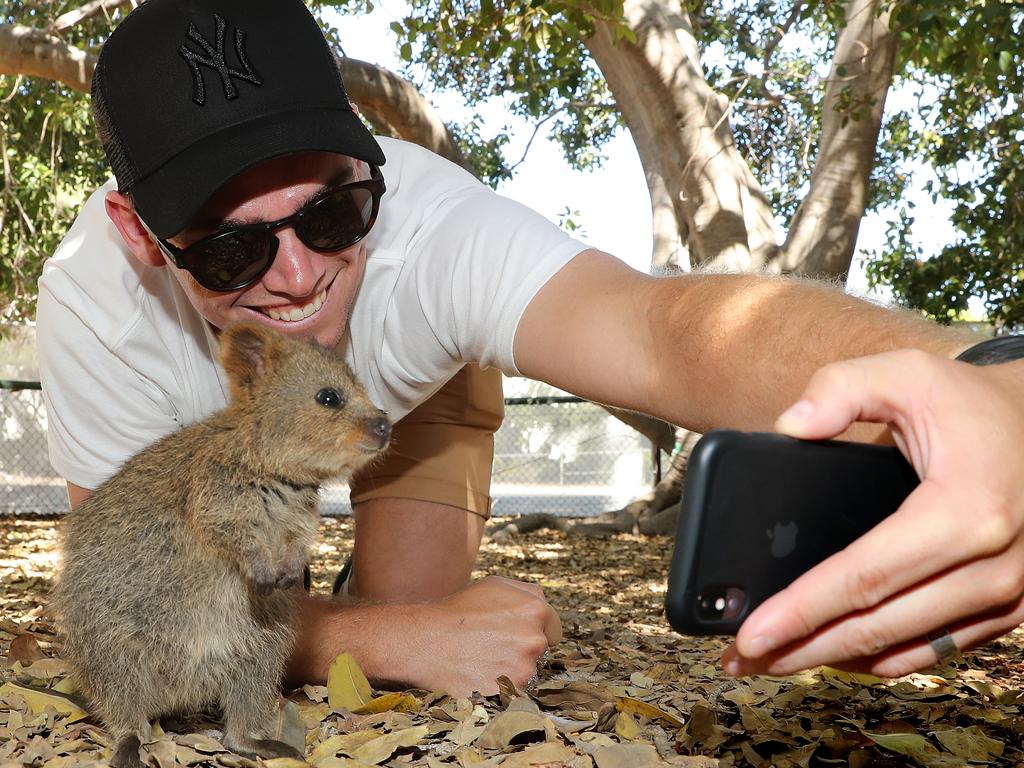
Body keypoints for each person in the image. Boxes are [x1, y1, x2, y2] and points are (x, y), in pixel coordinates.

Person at [36, 0, 1022, 696]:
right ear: (139, 233)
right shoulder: (98, 313)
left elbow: (662, 331)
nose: (295, 276)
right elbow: (125, 608)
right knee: (335, 632)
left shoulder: (429, 229)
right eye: (233, 246)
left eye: (332, 212)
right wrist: (391, 640)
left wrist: (989, 374)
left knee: (393, 616)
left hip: (412, 409)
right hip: (219, 466)